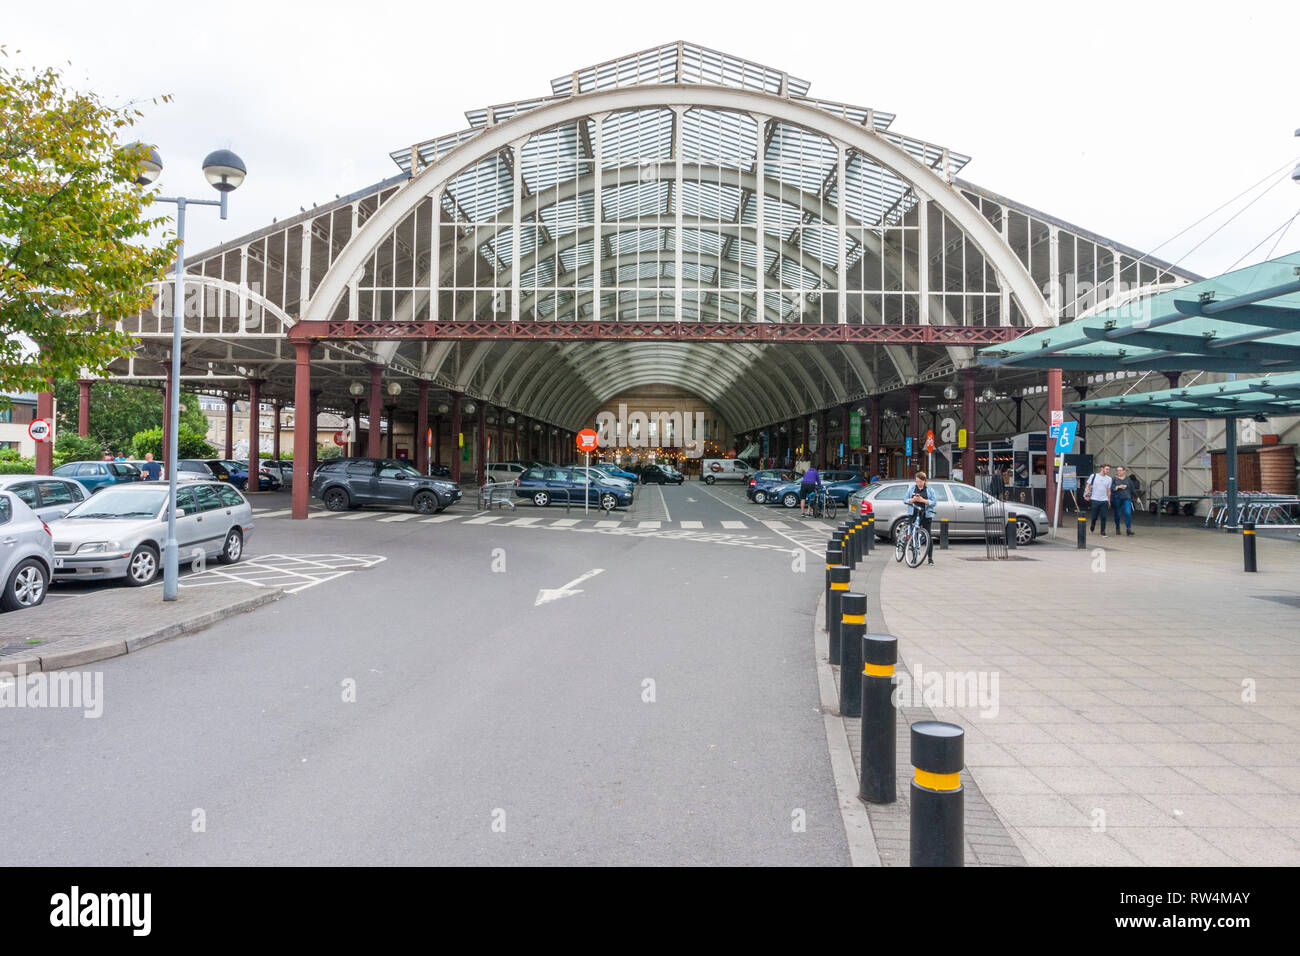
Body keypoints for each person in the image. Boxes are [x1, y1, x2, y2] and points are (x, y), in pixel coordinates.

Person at [905, 471, 938, 565]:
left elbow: (934, 502)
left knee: (928, 535)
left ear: (924, 481)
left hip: (926, 514)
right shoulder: (912, 488)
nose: (918, 483)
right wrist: (912, 500)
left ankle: (930, 558)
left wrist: (924, 500)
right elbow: (905, 500)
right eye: (916, 481)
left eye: (920, 481)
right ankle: (914, 558)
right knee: (913, 536)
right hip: (914, 513)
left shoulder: (929, 489)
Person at [1084, 463, 1113, 537]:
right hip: (1095, 499)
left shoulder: (1109, 479)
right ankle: (1093, 524)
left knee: (1104, 516)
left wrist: (1109, 500)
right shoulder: (1093, 476)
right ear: (1102, 468)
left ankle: (1103, 531)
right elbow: (1088, 486)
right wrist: (1087, 495)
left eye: (1108, 469)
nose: (1108, 471)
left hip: (1104, 500)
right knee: (1094, 516)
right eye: (1106, 469)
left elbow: (1108, 490)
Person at [1112, 466, 1136, 536]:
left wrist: (1137, 497)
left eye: (1120, 470)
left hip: (1127, 498)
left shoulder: (1128, 479)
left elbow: (1132, 489)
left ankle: (1128, 529)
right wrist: (1118, 487)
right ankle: (1117, 528)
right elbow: (1111, 488)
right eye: (1117, 470)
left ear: (1124, 471)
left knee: (1128, 512)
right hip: (1117, 498)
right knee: (1118, 514)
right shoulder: (1114, 479)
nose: (1118, 472)